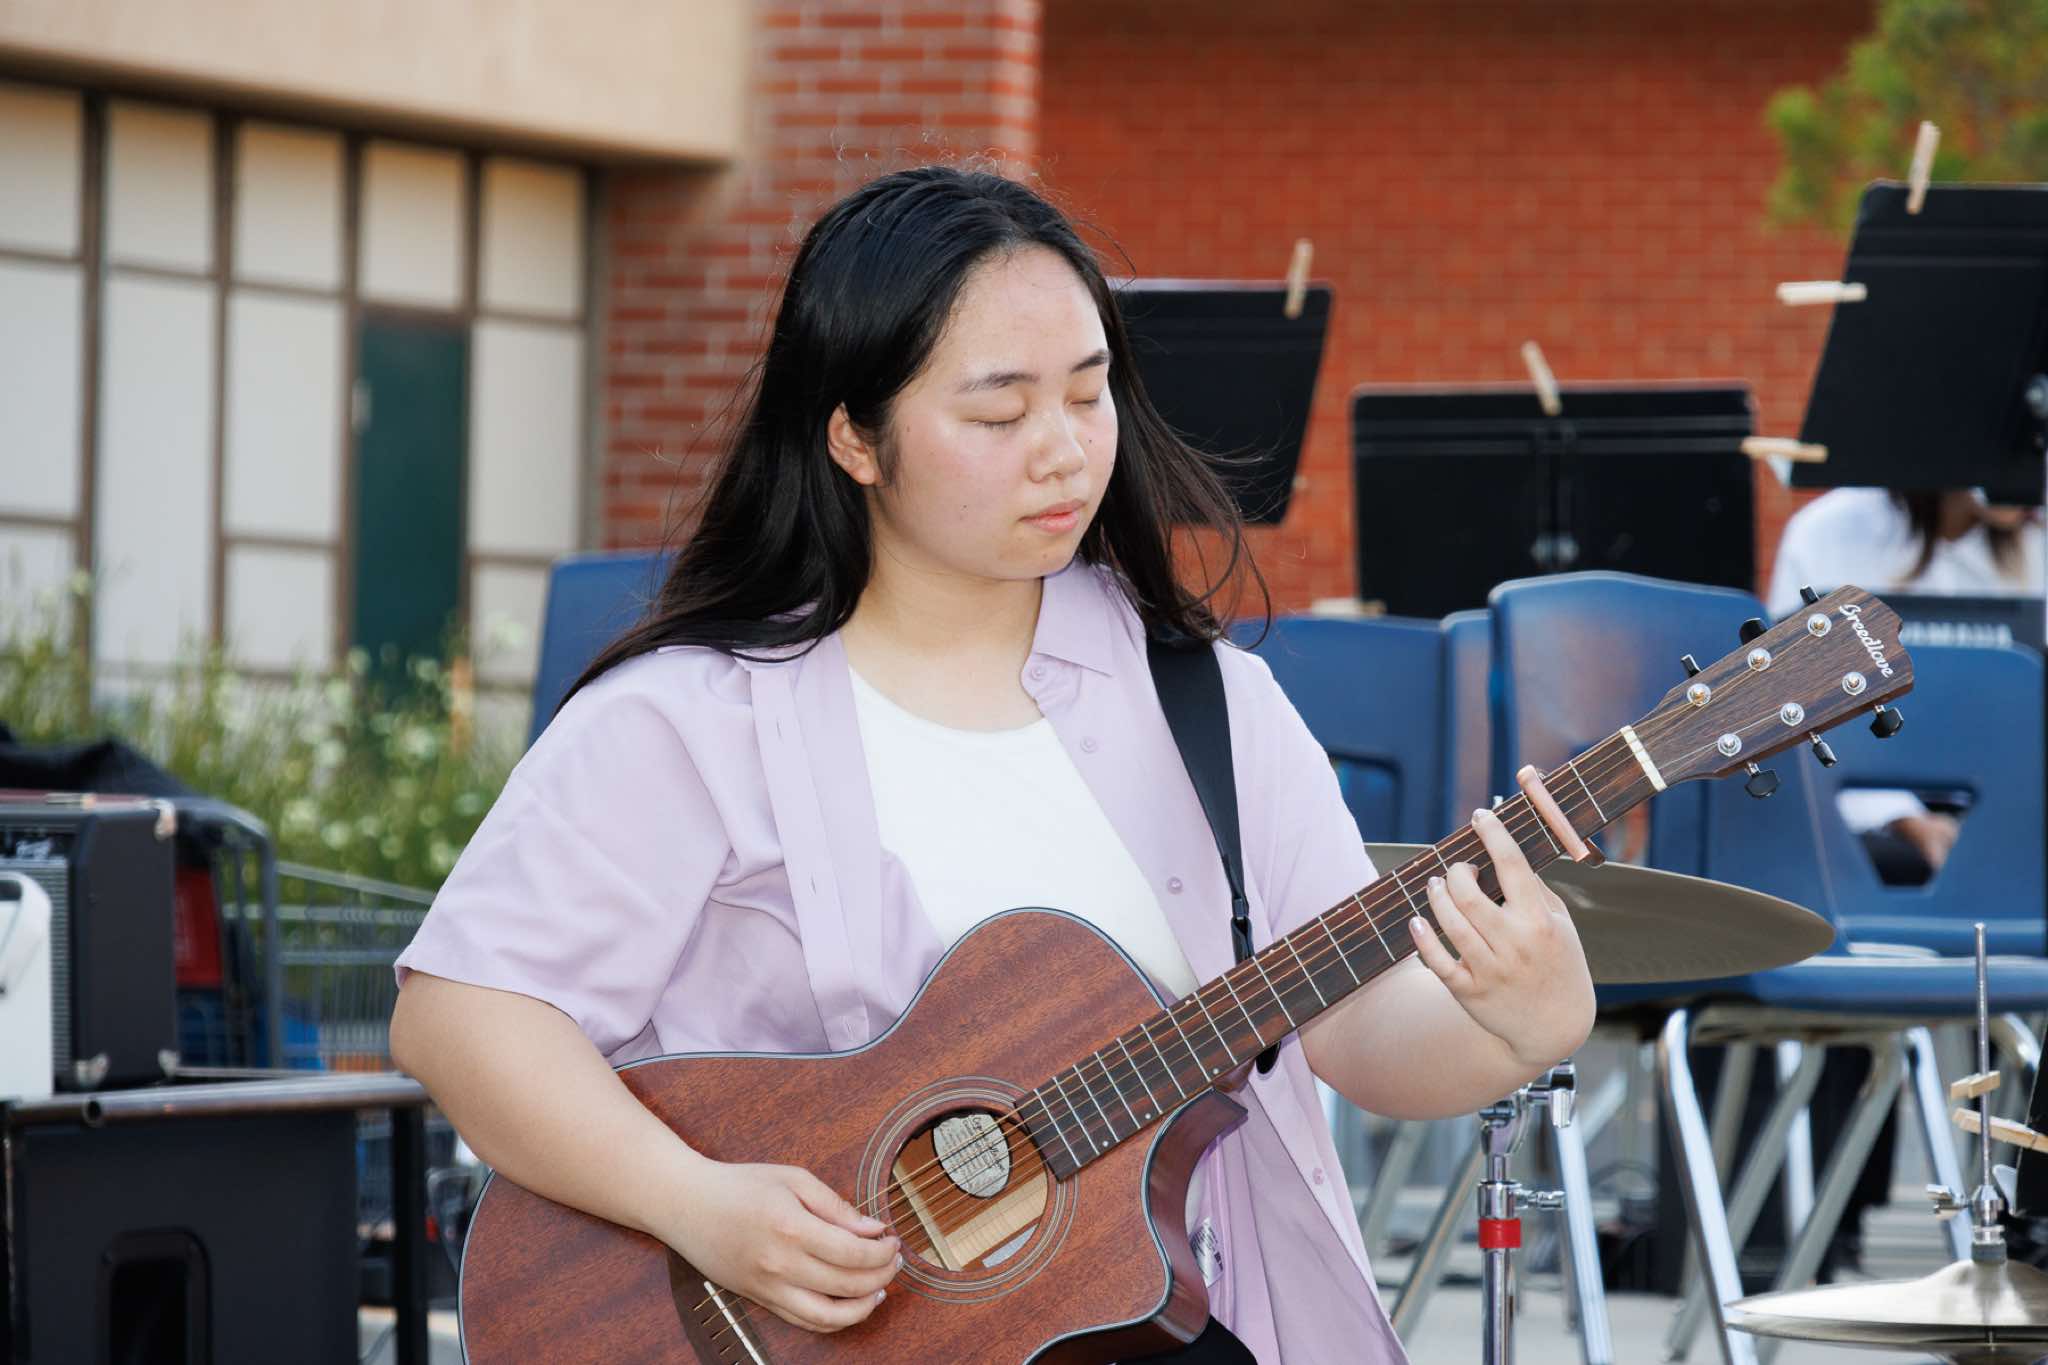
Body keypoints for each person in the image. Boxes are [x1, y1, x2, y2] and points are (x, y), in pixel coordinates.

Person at [388, 165, 1597, 1363]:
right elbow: (463, 1016)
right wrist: (697, 1204)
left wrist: (1524, 1022)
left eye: (1088, 393)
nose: (1065, 452)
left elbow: (1349, 1030)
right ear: (855, 438)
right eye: (998, 414)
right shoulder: (689, 720)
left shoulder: (1207, 703)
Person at [1766, 485, 2042, 876]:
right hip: (1859, 830)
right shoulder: (1829, 532)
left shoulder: (2038, 542)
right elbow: (1792, 713)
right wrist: (1902, 818)